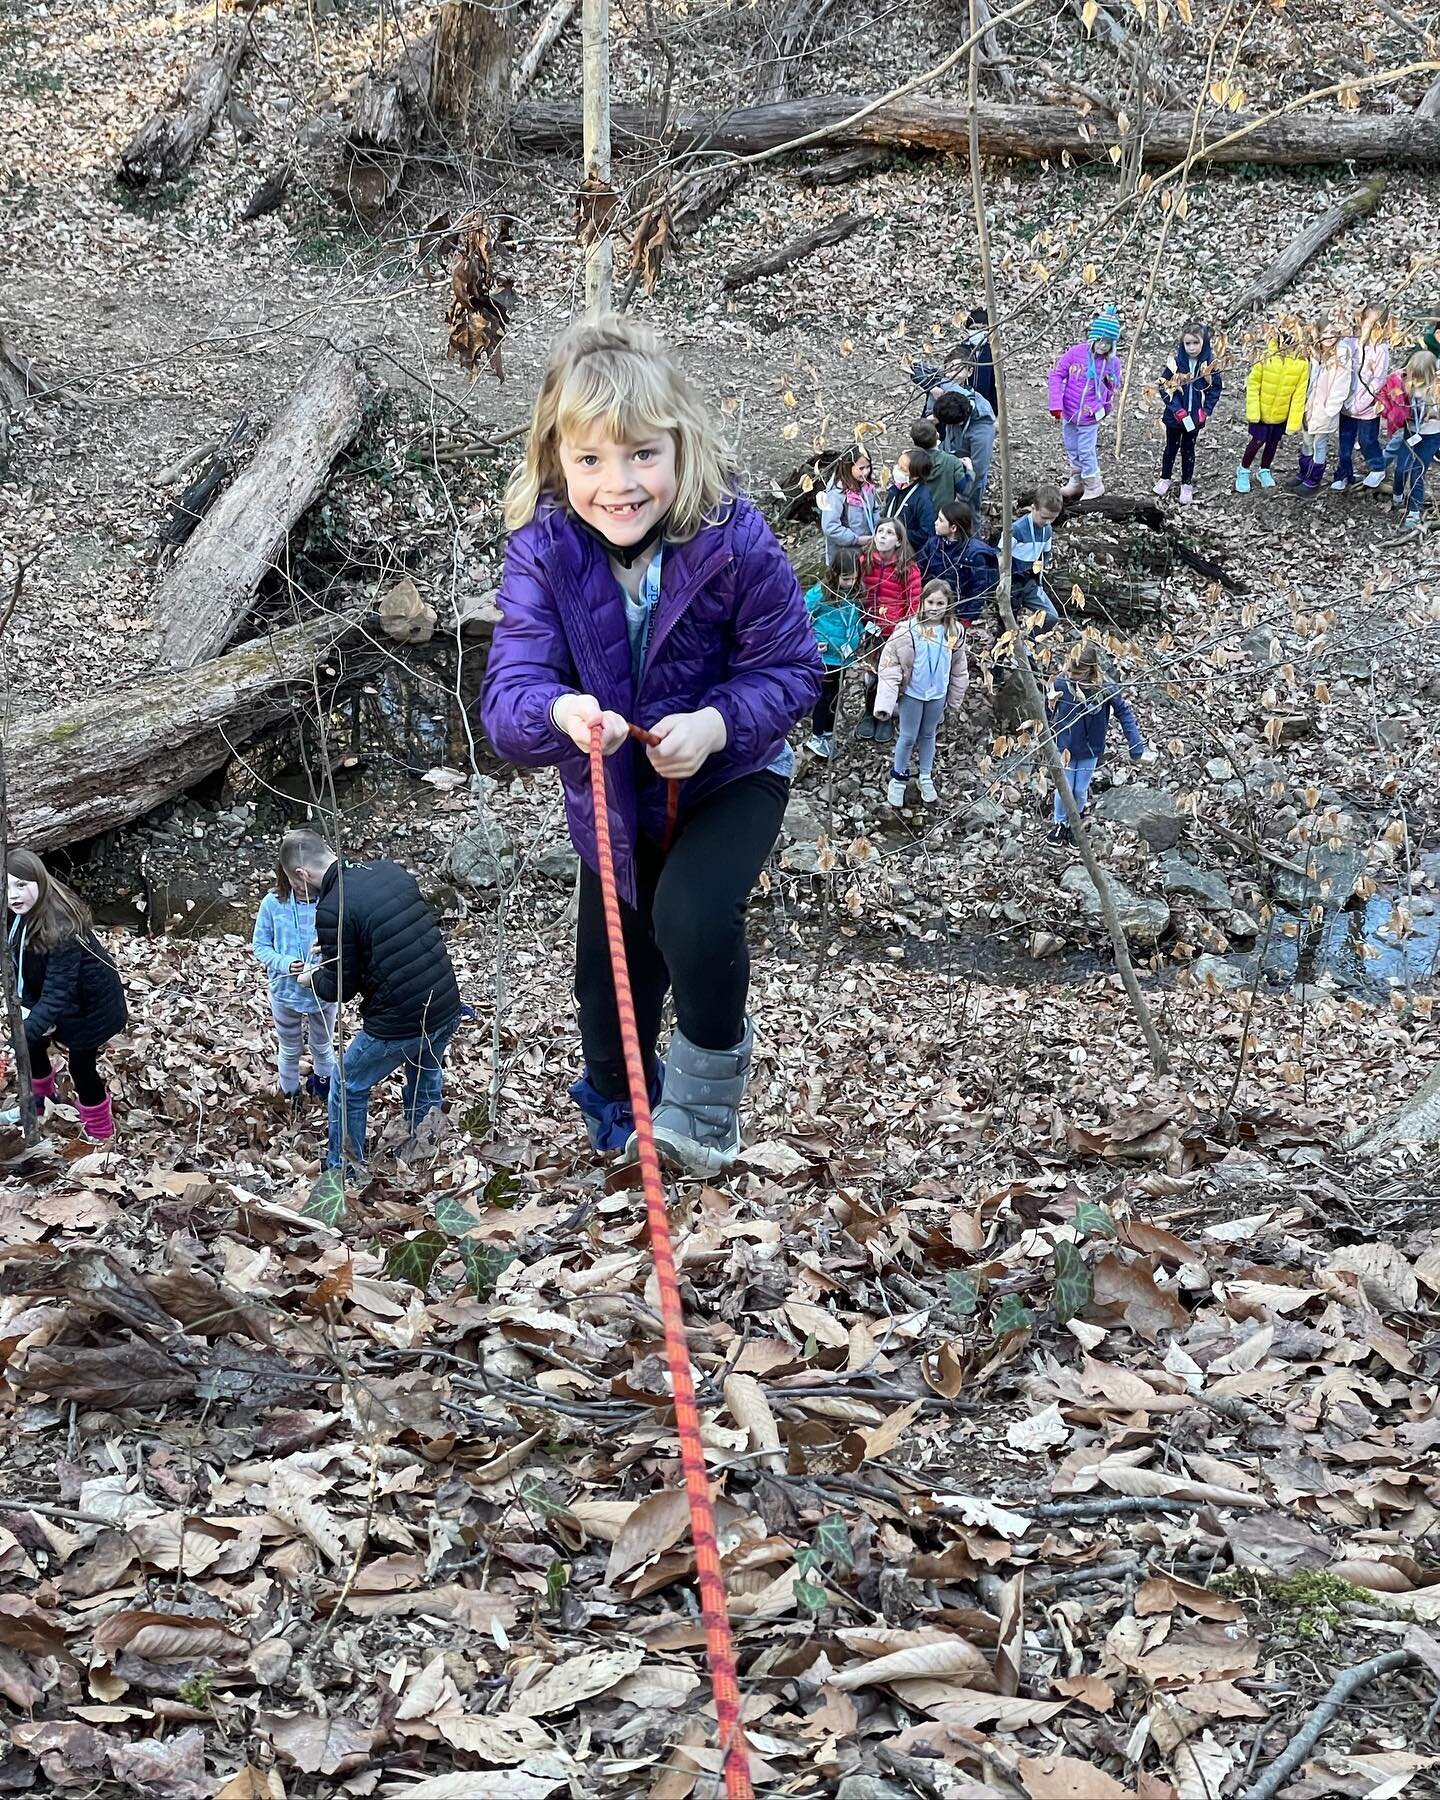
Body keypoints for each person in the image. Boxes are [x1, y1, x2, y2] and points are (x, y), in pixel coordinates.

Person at [480, 315, 821, 1175]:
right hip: (613, 792)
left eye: (642, 455)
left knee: (692, 917)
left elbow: (793, 671)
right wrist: (562, 716)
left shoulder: (735, 537)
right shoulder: (541, 554)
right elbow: (509, 695)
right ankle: (626, 1114)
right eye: (591, 459)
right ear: (558, 457)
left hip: (730, 773)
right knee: (607, 992)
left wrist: (715, 726)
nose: (619, 484)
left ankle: (703, 1116)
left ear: (680, 446)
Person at [281, 831, 462, 1172]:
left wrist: (310, 978)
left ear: (302, 875)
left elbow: (340, 989)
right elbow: (387, 941)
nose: (297, 891)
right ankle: (425, 1152)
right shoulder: (388, 871)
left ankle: (344, 1168)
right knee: (424, 1070)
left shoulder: (333, 907)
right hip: (444, 1003)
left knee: (347, 1083)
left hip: (401, 1020)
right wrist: (338, 949)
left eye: (294, 883)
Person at [4, 850, 127, 1142]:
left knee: (81, 1067)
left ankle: (100, 1131)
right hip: (46, 995)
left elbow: (59, 991)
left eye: (21, 885)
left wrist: (20, 1036)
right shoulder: (15, 912)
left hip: (91, 1009)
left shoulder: (61, 928)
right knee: (32, 1043)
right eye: (6, 886)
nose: (13, 895)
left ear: (40, 881)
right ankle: (39, 1102)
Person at [252, 838, 336, 1103]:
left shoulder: (330, 903)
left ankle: (324, 1087)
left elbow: (342, 947)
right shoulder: (273, 904)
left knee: (322, 1046)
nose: (301, 889)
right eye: (295, 883)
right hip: (284, 990)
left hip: (322, 992)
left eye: (304, 884)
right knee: (289, 1048)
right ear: (288, 875)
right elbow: (260, 945)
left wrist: (324, 959)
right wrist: (284, 963)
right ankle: (290, 1093)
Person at [875, 579, 970, 807]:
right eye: (930, 602)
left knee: (928, 735)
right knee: (908, 736)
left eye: (940, 603)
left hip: (937, 694)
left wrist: (955, 697)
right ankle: (898, 779)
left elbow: (959, 667)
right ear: (922, 602)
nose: (935, 607)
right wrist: (886, 703)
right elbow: (889, 665)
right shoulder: (908, 630)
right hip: (913, 693)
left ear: (948, 605)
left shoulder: (954, 631)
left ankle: (925, 776)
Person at [1046, 643, 1145, 846]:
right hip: (1064, 745)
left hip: (1090, 748)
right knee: (1063, 788)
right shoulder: (1061, 684)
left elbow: (1124, 713)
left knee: (1080, 790)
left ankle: (1076, 821)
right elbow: (1047, 709)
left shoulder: (1105, 688)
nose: (1072, 675)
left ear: (1091, 669)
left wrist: (1135, 742)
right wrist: (1042, 736)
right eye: (1070, 670)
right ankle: (1060, 823)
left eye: (1078, 672)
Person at [857, 518, 921, 745]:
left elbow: (914, 602)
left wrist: (902, 629)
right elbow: (856, 593)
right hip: (869, 626)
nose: (882, 536)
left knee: (889, 674)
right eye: (879, 531)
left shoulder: (908, 567)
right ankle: (868, 712)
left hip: (895, 630)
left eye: (889, 533)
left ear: (898, 541)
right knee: (870, 672)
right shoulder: (864, 561)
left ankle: (884, 717)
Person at [1048, 307, 1122, 500]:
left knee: (1085, 449)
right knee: (1071, 445)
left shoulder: (1113, 363)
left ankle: (1093, 484)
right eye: (1100, 341)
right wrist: (1056, 404)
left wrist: (1105, 407)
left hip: (1090, 414)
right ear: (1093, 337)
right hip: (1070, 410)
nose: (1103, 346)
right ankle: (1077, 480)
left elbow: (1113, 388)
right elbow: (1057, 374)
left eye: (1108, 343)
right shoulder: (1076, 353)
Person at [804, 549, 865, 761]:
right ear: (835, 573)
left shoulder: (854, 593)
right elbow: (800, 616)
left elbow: (855, 618)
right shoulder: (820, 593)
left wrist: (860, 634)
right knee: (825, 696)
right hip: (826, 656)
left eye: (854, 578)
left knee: (836, 694)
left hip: (843, 656)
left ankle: (828, 732)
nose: (850, 582)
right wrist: (812, 641)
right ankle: (816, 734)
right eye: (846, 578)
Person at [1155, 319, 1222, 504]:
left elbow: (1215, 389)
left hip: (1195, 417)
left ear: (1204, 343)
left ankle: (1186, 484)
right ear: (1182, 344)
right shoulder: (1175, 363)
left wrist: (1205, 410)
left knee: (1188, 448)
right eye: (1188, 343)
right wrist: (1176, 409)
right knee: (1171, 447)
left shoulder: (1209, 366)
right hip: (1175, 417)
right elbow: (1164, 386)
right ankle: (1165, 478)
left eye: (1196, 343)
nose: (1191, 347)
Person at [1237, 322, 1307, 492]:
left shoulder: (1302, 363)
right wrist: (1254, 411)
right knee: (1257, 441)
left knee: (1273, 443)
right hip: (1261, 412)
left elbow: (1299, 394)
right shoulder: (1266, 356)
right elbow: (1253, 384)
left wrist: (1293, 422)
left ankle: (1264, 470)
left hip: (1280, 414)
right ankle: (1243, 469)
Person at [1334, 303, 1393, 492]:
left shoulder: (1381, 350)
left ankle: (1377, 467)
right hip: (1346, 405)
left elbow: (1378, 380)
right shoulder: (1351, 343)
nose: (1373, 330)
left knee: (1368, 440)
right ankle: (1343, 474)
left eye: (1378, 326)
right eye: (1370, 324)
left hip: (1367, 408)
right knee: (1345, 442)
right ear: (1361, 322)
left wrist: (1363, 402)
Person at [1295, 317, 1353, 493]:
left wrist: (1330, 409)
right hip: (1308, 405)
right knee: (1306, 441)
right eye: (1325, 332)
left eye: (1333, 333)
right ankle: (1304, 472)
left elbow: (1341, 384)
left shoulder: (1342, 354)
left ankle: (1314, 479)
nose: (1329, 336)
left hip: (1325, 408)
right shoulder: (1314, 352)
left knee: (1319, 443)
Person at [919, 500, 993, 623]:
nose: (935, 523)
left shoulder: (973, 554)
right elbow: (920, 572)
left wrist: (968, 618)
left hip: (958, 613)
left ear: (953, 528)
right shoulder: (933, 545)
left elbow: (978, 590)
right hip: (931, 608)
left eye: (941, 520)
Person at [1391, 350, 1440, 530]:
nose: (1415, 380)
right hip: (1411, 433)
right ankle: (1397, 493)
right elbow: (1394, 396)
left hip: (1432, 436)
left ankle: (1414, 511)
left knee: (1417, 472)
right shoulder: (1406, 384)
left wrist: (1433, 414)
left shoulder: (1436, 389)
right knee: (1401, 467)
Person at [1011, 484, 1064, 628]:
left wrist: (1038, 577)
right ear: (1033, 508)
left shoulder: (1047, 530)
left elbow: (1044, 554)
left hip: (1030, 583)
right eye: (1044, 517)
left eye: (1052, 518)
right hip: (1012, 583)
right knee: (1008, 627)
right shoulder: (1016, 529)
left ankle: (1029, 644)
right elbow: (1000, 556)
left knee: (1051, 617)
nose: (1047, 522)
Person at [932, 387, 997, 499]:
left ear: (960, 422)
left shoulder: (981, 435)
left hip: (969, 476)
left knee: (967, 513)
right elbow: (938, 379)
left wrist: (964, 492)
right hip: (953, 464)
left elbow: (979, 469)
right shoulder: (958, 397)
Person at [818, 445, 878, 561]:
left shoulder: (867, 486)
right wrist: (856, 539)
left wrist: (877, 530)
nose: (866, 472)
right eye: (861, 468)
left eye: (868, 467)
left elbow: (874, 509)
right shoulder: (836, 493)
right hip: (844, 556)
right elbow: (830, 527)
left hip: (866, 549)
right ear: (847, 467)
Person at [882, 448, 937, 552]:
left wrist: (898, 533)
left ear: (915, 476)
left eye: (902, 469)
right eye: (898, 465)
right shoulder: (896, 488)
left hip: (907, 552)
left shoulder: (922, 499)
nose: (897, 469)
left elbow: (926, 533)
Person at [910, 417, 964, 510]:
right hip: (943, 517)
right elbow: (963, 488)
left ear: (914, 442)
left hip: (918, 515)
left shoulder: (910, 461)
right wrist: (970, 471)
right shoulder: (952, 462)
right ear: (937, 435)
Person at [959, 306, 998, 412]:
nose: (979, 332)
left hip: (985, 407)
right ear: (968, 330)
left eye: (983, 328)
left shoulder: (992, 354)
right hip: (961, 406)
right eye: (974, 328)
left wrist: (995, 412)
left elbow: (996, 386)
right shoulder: (960, 352)